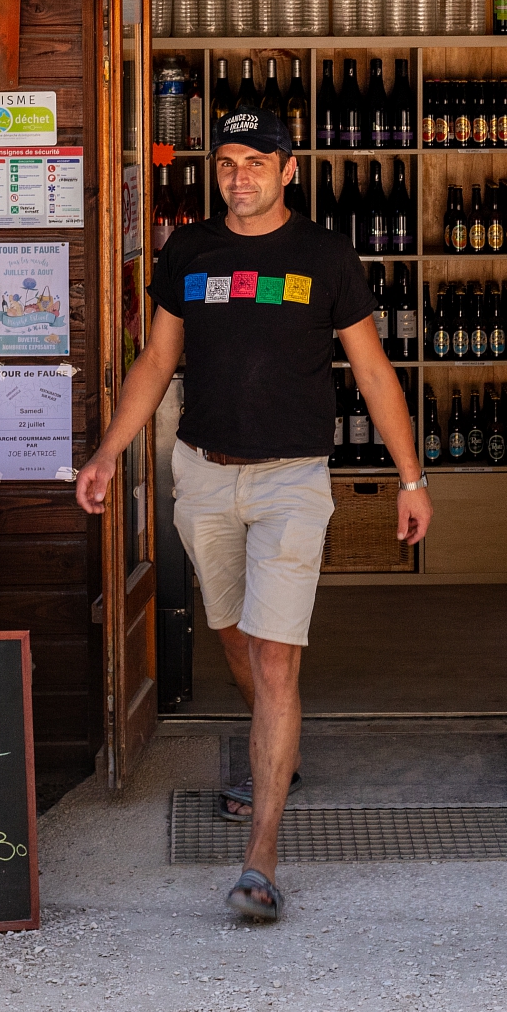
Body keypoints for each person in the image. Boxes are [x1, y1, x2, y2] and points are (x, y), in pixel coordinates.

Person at [76, 106, 428, 923]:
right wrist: (107, 452)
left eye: (257, 163)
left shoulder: (324, 255)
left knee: (275, 660)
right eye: (228, 163)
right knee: (233, 634)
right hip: (204, 475)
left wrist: (410, 478)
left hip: (291, 482)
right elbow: (156, 359)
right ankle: (279, 752)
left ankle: (260, 860)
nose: (240, 177)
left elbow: (373, 372)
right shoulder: (189, 251)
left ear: (289, 170)